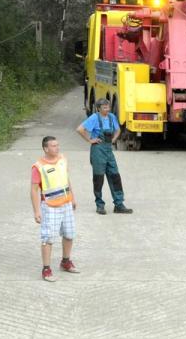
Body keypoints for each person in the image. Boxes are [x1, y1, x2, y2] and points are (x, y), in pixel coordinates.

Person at [32, 136, 80, 281]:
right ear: (45, 149)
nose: (57, 148)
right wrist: (36, 211)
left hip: (66, 204)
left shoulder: (63, 160)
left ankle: (65, 261)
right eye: (53, 146)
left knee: (69, 234)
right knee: (48, 238)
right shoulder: (38, 167)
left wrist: (72, 197)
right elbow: (34, 190)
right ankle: (46, 269)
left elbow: (66, 179)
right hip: (50, 207)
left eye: (57, 145)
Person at [76, 99, 132, 215]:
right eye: (104, 107)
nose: (107, 109)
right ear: (98, 108)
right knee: (99, 178)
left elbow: (117, 130)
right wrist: (90, 140)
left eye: (108, 107)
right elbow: (80, 129)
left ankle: (119, 204)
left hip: (108, 150)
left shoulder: (111, 117)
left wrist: (113, 140)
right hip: (98, 150)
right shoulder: (94, 118)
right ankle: (100, 205)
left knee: (115, 176)